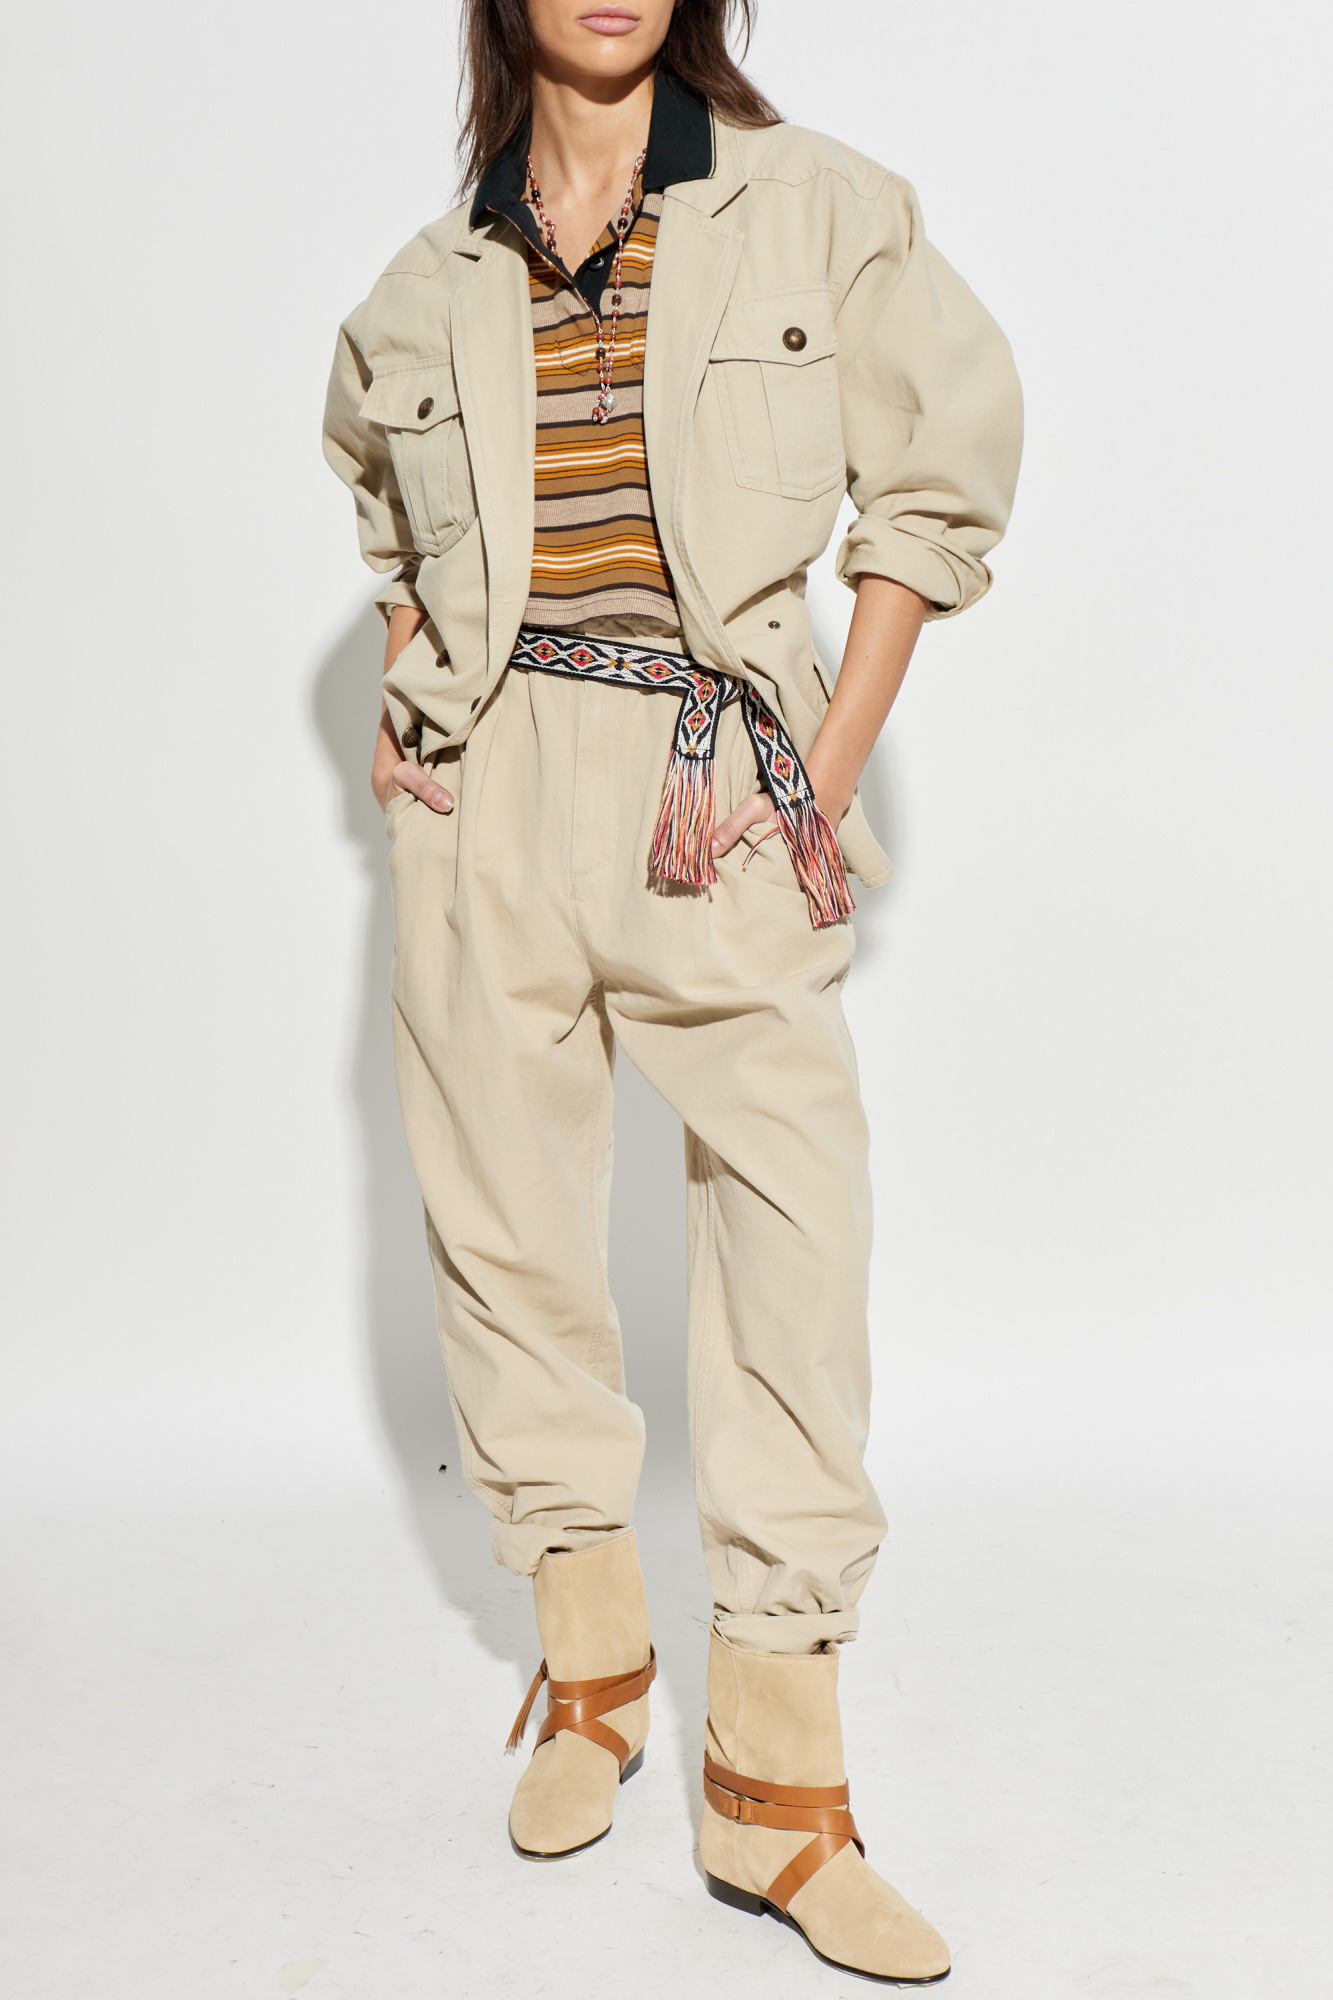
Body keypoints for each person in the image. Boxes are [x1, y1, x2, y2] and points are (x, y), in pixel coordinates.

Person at [322, 0, 1021, 1980]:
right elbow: (374, 486)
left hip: (716, 777)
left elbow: (939, 479)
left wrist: (822, 757)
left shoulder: (817, 206)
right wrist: (414, 677)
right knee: (505, 1234)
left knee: (792, 1236)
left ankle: (775, 1778)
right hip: (488, 795)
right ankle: (592, 1659)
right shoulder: (427, 277)